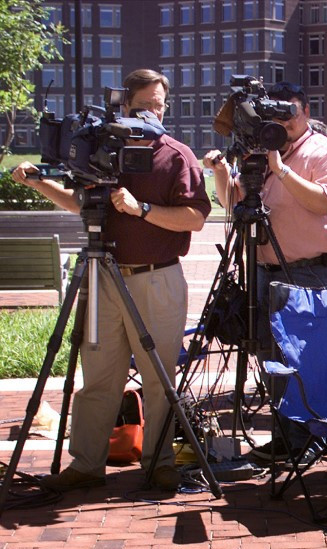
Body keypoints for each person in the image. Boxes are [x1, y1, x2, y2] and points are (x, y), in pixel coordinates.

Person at [10, 69, 212, 492]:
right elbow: (79, 203)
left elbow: (195, 217)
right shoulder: (101, 149)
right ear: (124, 106)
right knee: (99, 376)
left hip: (157, 279)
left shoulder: (175, 155)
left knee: (160, 379)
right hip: (103, 278)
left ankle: (158, 464)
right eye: (143, 107)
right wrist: (39, 181)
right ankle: (86, 464)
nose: (152, 114)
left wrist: (142, 209)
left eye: (158, 105)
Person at [204, 81, 327, 461]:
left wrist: (282, 170)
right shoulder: (261, 150)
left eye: (289, 112)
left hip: (308, 273)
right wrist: (222, 169)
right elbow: (232, 200)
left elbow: (324, 204)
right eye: (275, 113)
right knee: (271, 357)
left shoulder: (326, 152)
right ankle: (287, 439)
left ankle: (312, 438)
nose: (282, 121)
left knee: (304, 358)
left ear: (305, 112)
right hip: (263, 271)